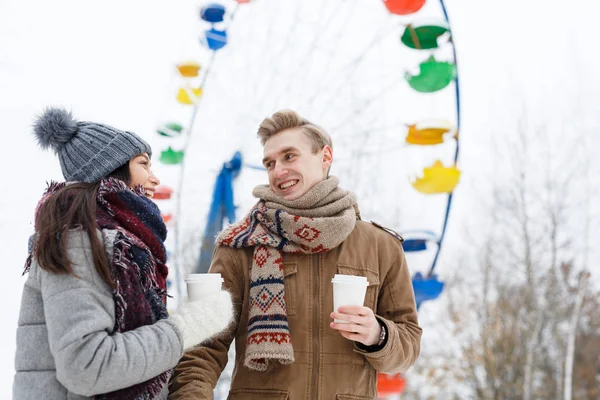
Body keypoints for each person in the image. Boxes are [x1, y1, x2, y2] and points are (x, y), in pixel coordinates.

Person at [169, 109, 422, 399]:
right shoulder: (240, 245)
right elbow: (202, 346)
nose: (278, 171)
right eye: (269, 163)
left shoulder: (380, 246)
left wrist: (378, 334)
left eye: (289, 156)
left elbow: (408, 345)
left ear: (325, 156)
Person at [13, 107, 233, 400]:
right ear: (110, 169)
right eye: (144, 164)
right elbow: (87, 366)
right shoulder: (79, 242)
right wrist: (188, 326)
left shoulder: (117, 246)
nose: (155, 179)